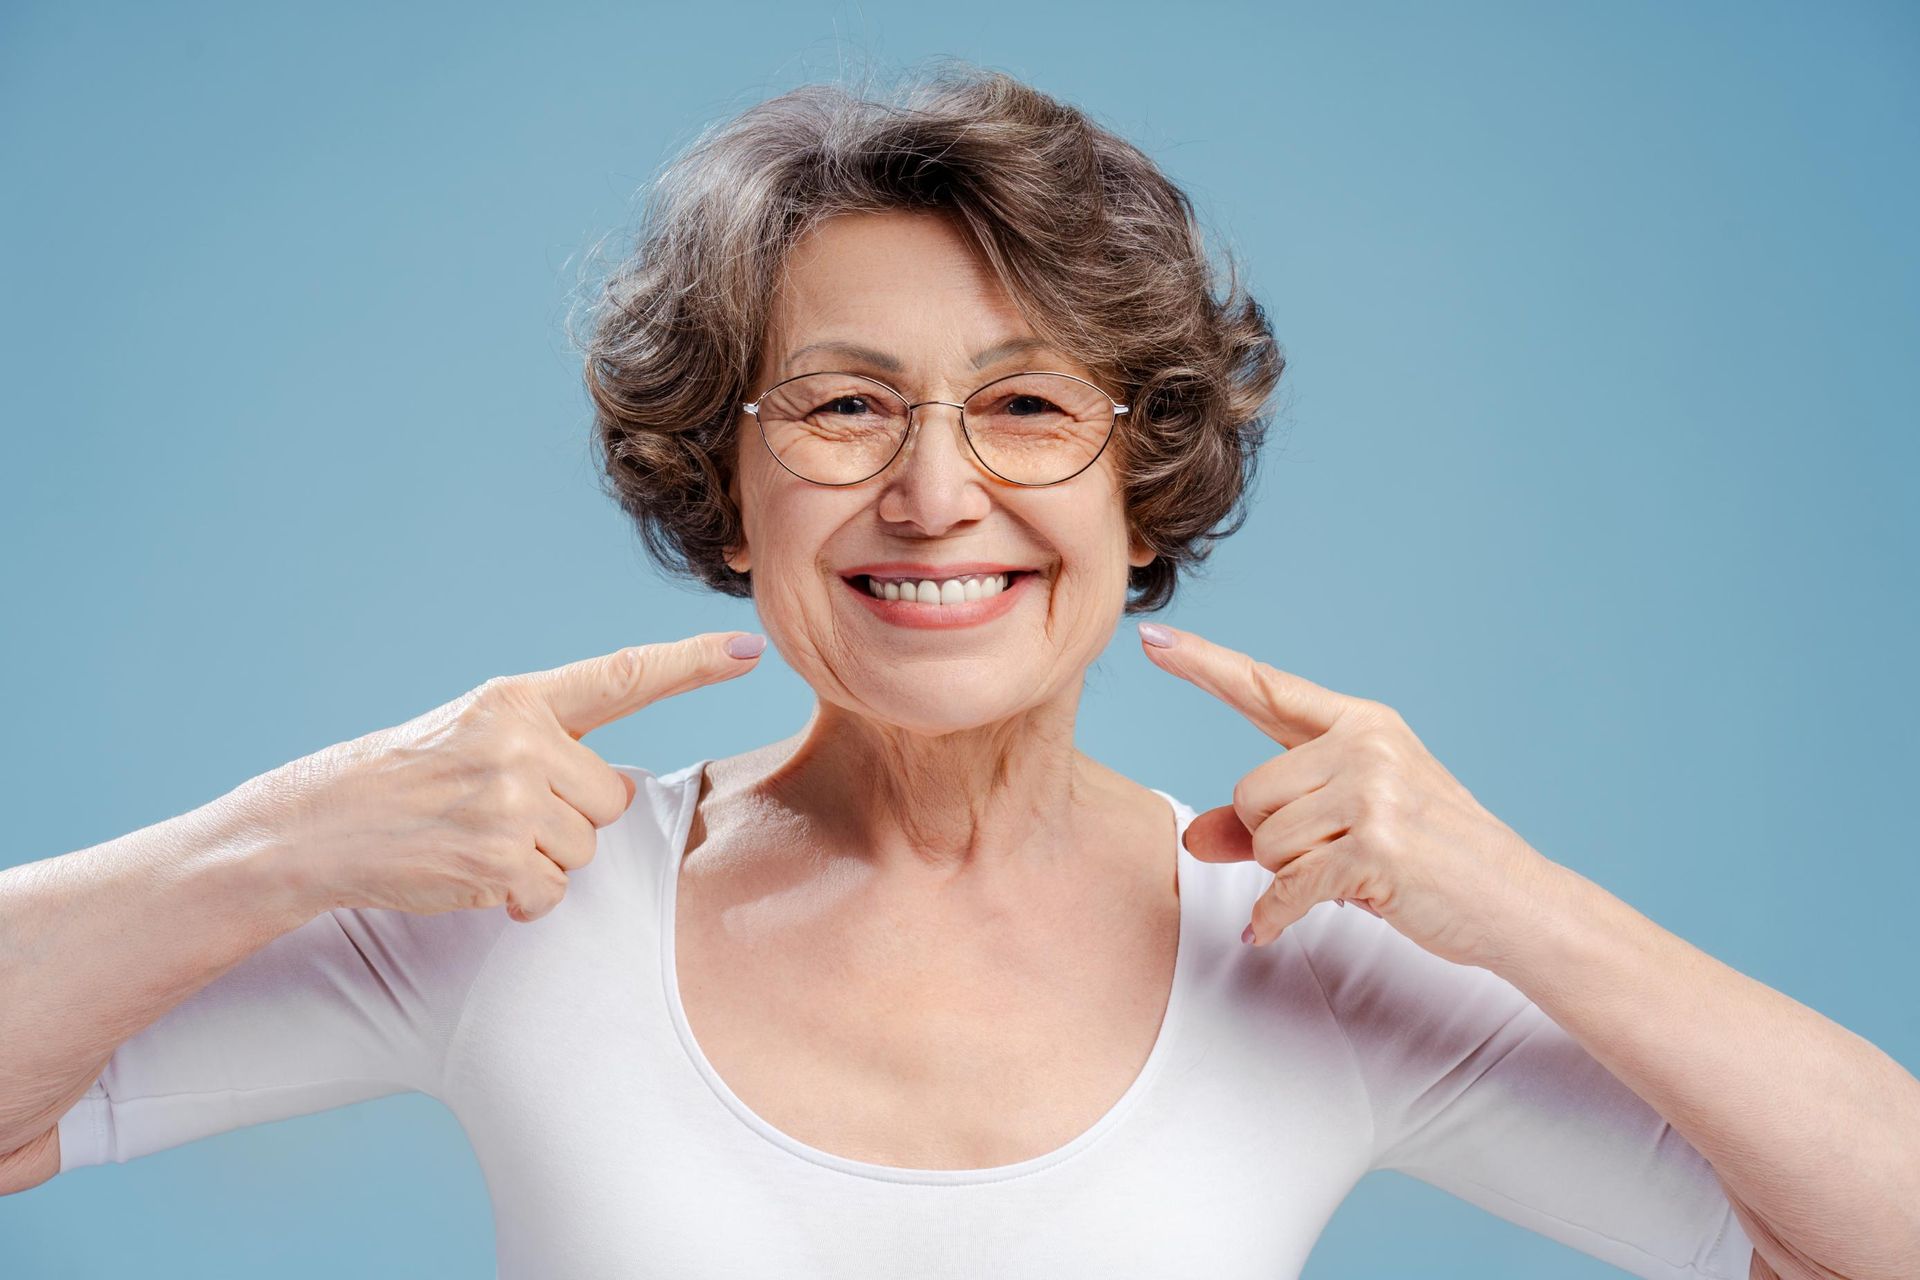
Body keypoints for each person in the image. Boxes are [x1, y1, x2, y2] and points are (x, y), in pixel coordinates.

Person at [2, 63, 1914, 1280]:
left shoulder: (1299, 946)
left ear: (1141, 475)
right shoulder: (528, 896)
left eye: (1023, 406)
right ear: (723, 488)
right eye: (843, 406)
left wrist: (1524, 903)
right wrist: (281, 840)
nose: (936, 492)